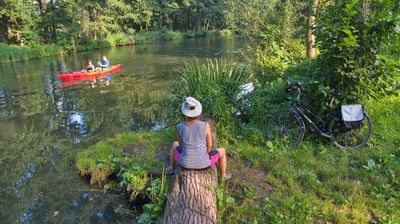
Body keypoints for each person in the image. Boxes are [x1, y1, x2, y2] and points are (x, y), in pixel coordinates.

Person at [166, 97, 232, 181]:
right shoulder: (205, 125)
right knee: (222, 150)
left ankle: (171, 168)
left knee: (174, 144)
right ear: (197, 112)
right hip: (204, 164)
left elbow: (181, 145)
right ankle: (223, 176)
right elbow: (209, 145)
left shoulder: (179, 126)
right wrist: (205, 153)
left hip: (184, 163)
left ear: (185, 112)